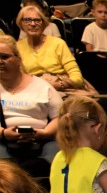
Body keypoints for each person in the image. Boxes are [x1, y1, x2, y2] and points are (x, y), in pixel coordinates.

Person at [0, 34, 61, 162]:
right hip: (3, 141)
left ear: (18, 59)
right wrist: (4, 133)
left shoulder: (43, 86)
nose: (0, 61)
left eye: (4, 57)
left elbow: (60, 117)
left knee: (56, 153)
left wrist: (44, 133)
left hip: (42, 141)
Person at [16, 4, 85, 93]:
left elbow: (76, 75)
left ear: (44, 24)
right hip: (32, 89)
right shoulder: (17, 47)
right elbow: (17, 79)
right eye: (27, 20)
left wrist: (61, 84)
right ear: (21, 24)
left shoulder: (58, 43)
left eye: (37, 20)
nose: (33, 24)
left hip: (62, 87)